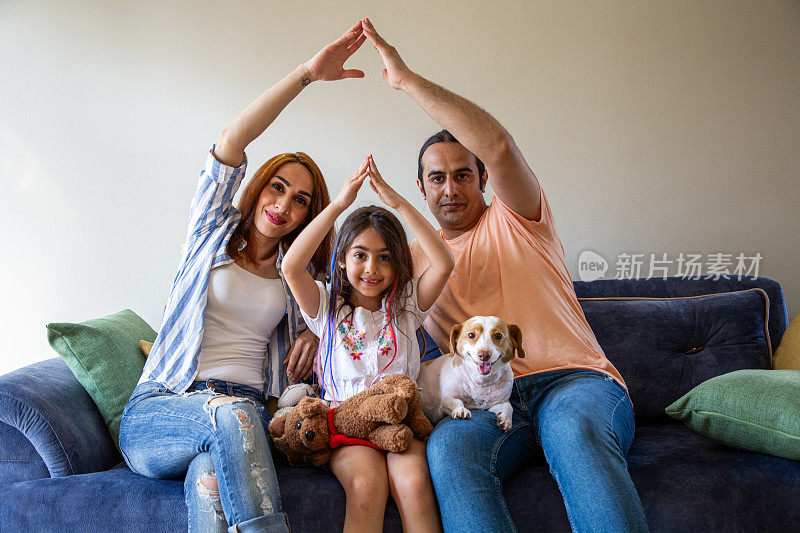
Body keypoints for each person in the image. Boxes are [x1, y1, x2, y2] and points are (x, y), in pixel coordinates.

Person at [360, 18, 649, 533]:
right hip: (481, 397)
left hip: (574, 381)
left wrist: (404, 80)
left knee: (574, 432)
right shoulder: (408, 261)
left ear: (484, 179)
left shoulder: (518, 216)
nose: (450, 188)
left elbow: (497, 144)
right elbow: (352, 296)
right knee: (448, 454)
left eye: (463, 175)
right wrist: (304, 334)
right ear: (421, 190)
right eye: (437, 179)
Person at [118, 21, 368, 533]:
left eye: (301, 201)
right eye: (277, 188)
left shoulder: (298, 281)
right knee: (231, 417)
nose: (283, 205)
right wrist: (306, 75)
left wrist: (312, 339)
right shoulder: (210, 233)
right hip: (166, 409)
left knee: (211, 486)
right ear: (257, 188)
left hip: (249, 417)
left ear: (308, 218)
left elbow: (355, 330)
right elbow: (232, 139)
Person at [281, 154, 453, 533]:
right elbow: (291, 265)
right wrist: (340, 205)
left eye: (384, 257)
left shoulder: (406, 306)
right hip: (348, 424)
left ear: (398, 265)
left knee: (413, 483)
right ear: (342, 260)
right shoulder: (326, 308)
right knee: (366, 485)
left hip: (399, 419)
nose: (372, 269)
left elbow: (442, 262)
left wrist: (397, 202)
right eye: (360, 255)